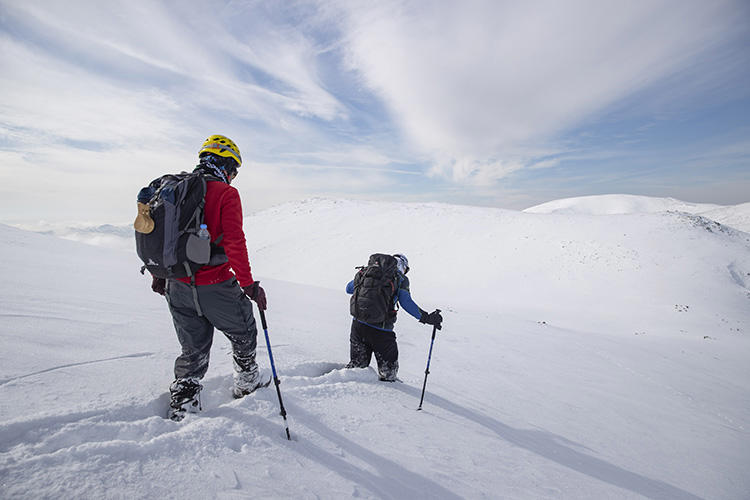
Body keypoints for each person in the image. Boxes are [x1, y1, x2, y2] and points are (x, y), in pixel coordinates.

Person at [149, 134, 268, 421]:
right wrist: (248, 284)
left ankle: (184, 402)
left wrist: (159, 273)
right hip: (214, 285)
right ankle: (247, 379)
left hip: (176, 285)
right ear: (226, 165)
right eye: (235, 170)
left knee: (192, 346)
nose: (234, 176)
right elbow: (235, 242)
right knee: (244, 330)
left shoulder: (174, 190)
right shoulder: (225, 193)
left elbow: (157, 236)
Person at [345, 253, 442, 381]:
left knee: (357, 370)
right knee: (388, 374)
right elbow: (406, 302)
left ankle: (348, 393)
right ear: (403, 266)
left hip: (358, 326)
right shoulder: (400, 279)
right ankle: (389, 396)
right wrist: (427, 318)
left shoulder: (367, 272)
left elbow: (349, 289)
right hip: (381, 331)